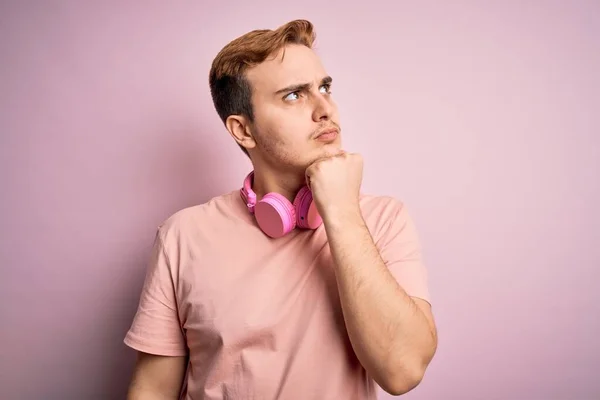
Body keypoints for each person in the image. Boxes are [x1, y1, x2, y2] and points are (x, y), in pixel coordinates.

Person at [123, 19, 437, 400]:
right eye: (294, 95)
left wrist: (340, 211)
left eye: (325, 88)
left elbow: (402, 371)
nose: (325, 110)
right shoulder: (182, 234)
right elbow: (153, 389)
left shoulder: (384, 219)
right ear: (243, 131)